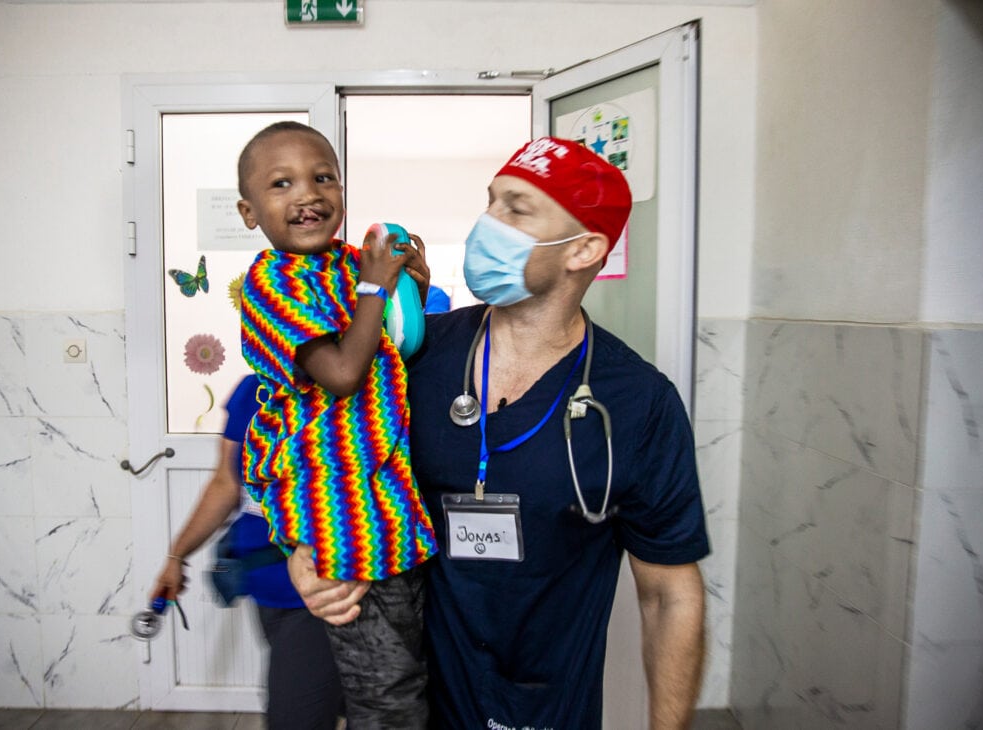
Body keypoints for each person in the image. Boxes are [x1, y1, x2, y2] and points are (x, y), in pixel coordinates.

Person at [288, 137, 710, 729]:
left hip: (544, 705)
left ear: (583, 249)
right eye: (490, 202)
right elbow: (325, 454)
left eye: (516, 208)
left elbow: (670, 593)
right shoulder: (414, 355)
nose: (487, 222)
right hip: (415, 698)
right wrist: (306, 550)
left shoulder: (637, 403)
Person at [236, 121, 437, 729]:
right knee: (387, 697)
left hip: (388, 505)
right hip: (337, 513)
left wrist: (412, 276)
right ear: (250, 212)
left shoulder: (354, 264)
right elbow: (345, 372)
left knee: (410, 674)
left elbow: (399, 335)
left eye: (324, 177)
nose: (308, 193)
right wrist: (377, 281)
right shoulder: (270, 285)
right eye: (282, 183)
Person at [150, 374, 344, 730]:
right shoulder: (252, 391)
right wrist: (177, 556)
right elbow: (226, 482)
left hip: (321, 595)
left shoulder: (344, 390)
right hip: (268, 590)